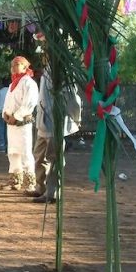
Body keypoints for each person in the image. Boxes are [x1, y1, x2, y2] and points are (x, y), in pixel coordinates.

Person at [27, 64, 82, 203]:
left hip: (55, 121)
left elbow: (72, 96)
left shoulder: (62, 69)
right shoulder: (48, 68)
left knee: (55, 158)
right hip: (42, 121)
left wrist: (76, 117)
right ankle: (41, 188)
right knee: (38, 156)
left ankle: (52, 193)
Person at [2, 56, 38, 192]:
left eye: (16, 64)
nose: (13, 67)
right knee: (13, 151)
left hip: (22, 123)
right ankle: (15, 181)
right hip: (11, 124)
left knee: (25, 151)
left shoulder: (29, 83)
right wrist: (5, 114)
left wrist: (16, 116)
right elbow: (7, 102)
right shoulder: (12, 84)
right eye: (12, 65)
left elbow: (29, 103)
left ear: (24, 66)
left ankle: (30, 182)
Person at [0, 78, 9, 152]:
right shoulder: (11, 91)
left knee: (0, 129)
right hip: (9, 112)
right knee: (8, 130)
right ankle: (8, 146)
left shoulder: (0, 92)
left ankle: (1, 147)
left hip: (0, 112)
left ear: (2, 84)